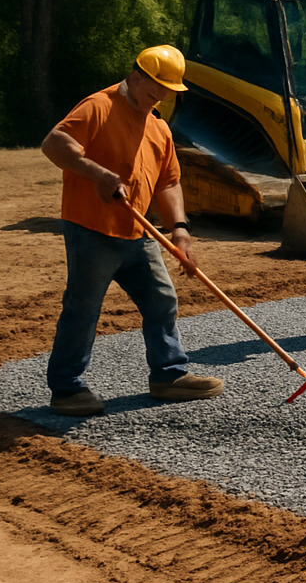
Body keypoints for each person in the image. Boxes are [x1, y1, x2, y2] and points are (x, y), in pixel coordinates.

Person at [40, 45, 225, 417]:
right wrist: (97, 174)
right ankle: (66, 389)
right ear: (136, 77)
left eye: (167, 90)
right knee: (83, 308)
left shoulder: (158, 127)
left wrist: (180, 231)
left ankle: (168, 376)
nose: (160, 95)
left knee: (162, 300)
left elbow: (169, 184)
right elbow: (54, 144)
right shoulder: (98, 106)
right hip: (91, 229)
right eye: (154, 86)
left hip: (138, 234)